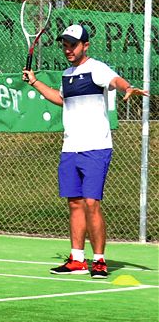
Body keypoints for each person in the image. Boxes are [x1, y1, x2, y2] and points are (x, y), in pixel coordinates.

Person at [22, 23, 147, 278]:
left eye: (73, 45)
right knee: (75, 203)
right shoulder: (67, 74)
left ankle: (99, 261)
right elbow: (61, 99)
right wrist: (34, 82)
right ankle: (77, 259)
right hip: (70, 148)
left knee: (91, 203)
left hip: (96, 148)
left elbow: (114, 80)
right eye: (65, 45)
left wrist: (127, 87)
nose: (68, 49)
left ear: (85, 46)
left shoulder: (96, 69)